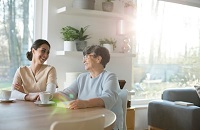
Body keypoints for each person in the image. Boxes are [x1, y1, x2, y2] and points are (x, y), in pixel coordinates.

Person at [52, 45, 123, 130]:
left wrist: (85, 103)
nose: (83, 61)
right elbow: (67, 94)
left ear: (98, 59)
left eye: (86, 57)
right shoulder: (82, 77)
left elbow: (108, 98)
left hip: (106, 123)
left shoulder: (110, 77)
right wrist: (47, 96)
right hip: (86, 120)